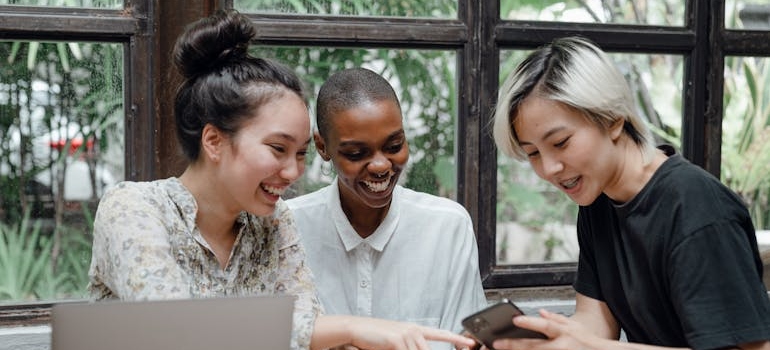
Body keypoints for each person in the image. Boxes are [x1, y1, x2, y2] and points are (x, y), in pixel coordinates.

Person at [87, 9, 475, 350]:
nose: (293, 173)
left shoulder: (273, 223)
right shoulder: (134, 209)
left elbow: (311, 330)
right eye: (277, 149)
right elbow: (174, 330)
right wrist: (352, 327)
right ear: (214, 141)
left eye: (301, 153)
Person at [490, 36, 770, 350]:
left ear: (613, 119)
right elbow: (595, 324)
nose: (550, 168)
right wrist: (536, 343)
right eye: (533, 153)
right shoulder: (598, 200)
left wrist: (590, 346)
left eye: (560, 143)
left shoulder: (697, 208)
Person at [286, 67, 488, 348]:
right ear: (322, 146)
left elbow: (463, 341)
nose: (381, 166)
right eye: (356, 154)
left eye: (394, 145)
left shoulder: (447, 226)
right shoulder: (288, 228)